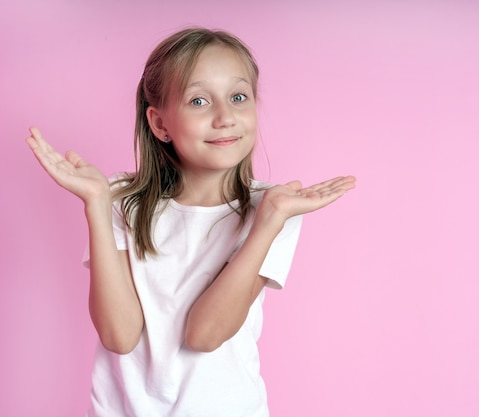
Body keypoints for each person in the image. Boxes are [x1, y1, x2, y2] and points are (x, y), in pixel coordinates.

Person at [26, 27, 356, 417]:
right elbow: (119, 335)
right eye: (199, 100)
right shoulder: (119, 199)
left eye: (238, 97)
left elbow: (205, 334)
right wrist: (97, 204)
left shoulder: (273, 207)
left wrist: (269, 221)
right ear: (160, 123)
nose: (225, 117)